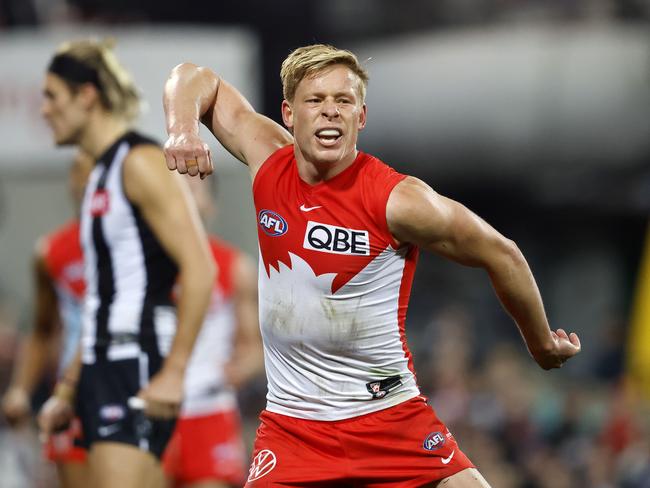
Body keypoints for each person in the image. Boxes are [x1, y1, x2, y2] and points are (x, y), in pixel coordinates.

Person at [162, 44, 582, 487]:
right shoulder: (267, 157)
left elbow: (502, 252)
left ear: (360, 117)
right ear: (289, 113)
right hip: (293, 429)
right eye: (315, 100)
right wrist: (182, 130)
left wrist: (540, 344)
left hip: (390, 421)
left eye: (343, 101)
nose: (330, 112)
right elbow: (193, 77)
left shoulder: (399, 200)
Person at [36, 38, 215, 488]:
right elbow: (102, 297)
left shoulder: (140, 162)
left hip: (134, 363)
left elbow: (200, 267)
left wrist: (174, 373)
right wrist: (67, 389)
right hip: (102, 365)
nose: (44, 110)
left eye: (52, 96)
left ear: (87, 95)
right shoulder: (99, 173)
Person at [162, 177, 263, 488]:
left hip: (208, 409)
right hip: (151, 411)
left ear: (210, 203)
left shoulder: (234, 267)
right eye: (174, 192)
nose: (184, 201)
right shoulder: (136, 267)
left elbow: (255, 349)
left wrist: (241, 368)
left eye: (193, 191)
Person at [1, 151, 93, 488]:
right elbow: (41, 330)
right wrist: (20, 391)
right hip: (72, 398)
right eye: (80, 173)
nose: (87, 183)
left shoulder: (146, 244)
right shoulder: (52, 251)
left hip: (129, 387)